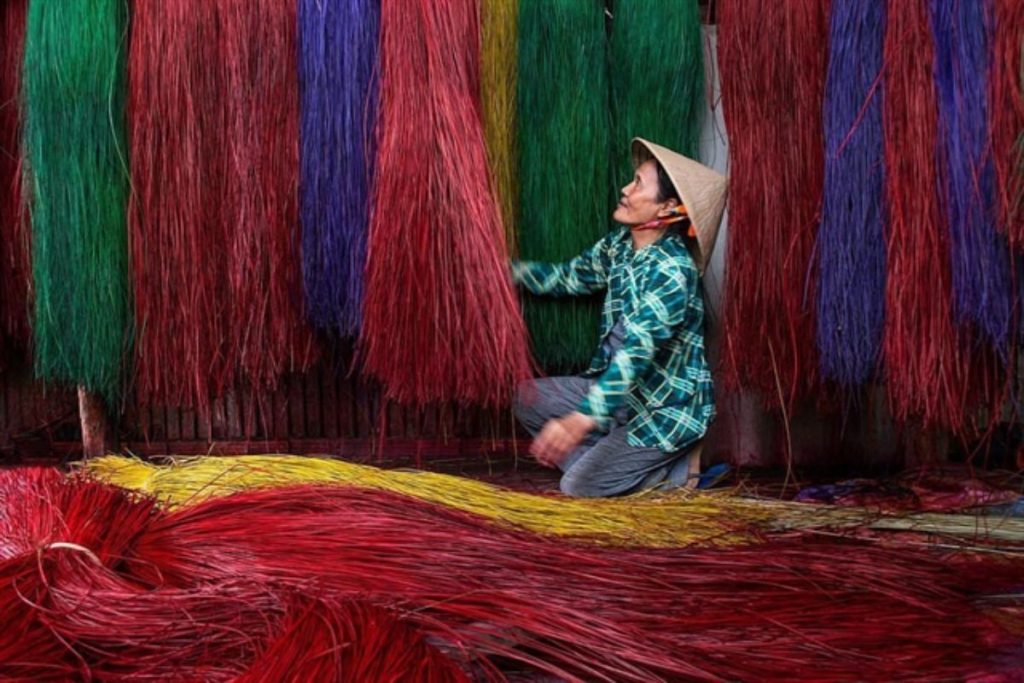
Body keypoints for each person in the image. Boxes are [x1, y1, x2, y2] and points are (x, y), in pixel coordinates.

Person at [511, 138, 727, 497]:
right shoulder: (618, 246)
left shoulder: (673, 272)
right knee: (525, 397)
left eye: (639, 184)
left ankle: (676, 474)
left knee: (577, 486)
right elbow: (568, 278)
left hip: (662, 413)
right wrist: (502, 271)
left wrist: (583, 418)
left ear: (669, 206)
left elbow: (636, 354)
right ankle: (616, 460)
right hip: (620, 400)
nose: (626, 189)